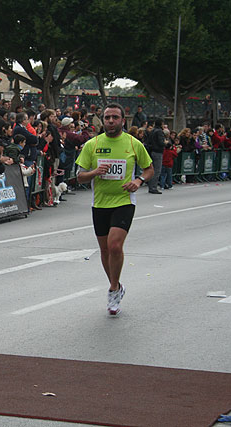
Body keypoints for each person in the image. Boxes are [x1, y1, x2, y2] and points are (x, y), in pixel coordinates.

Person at [75, 103, 153, 316]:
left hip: (124, 201)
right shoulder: (92, 144)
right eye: (107, 117)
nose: (111, 121)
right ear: (103, 120)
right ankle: (117, 286)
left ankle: (112, 289)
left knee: (115, 245)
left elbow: (149, 169)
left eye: (115, 117)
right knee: (105, 250)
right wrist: (94, 172)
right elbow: (79, 176)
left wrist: (138, 180)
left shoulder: (133, 143)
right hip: (100, 203)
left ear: (122, 120)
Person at [146, 119, 166, 194]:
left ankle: (151, 185)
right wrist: (165, 143)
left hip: (152, 151)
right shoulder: (159, 131)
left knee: (152, 169)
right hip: (158, 151)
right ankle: (153, 187)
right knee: (157, 170)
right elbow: (161, 142)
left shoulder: (152, 131)